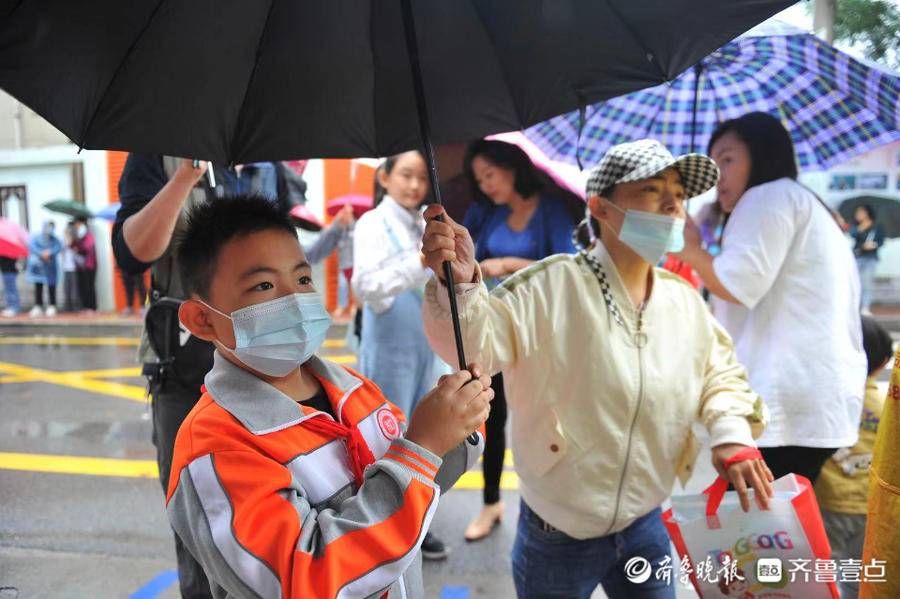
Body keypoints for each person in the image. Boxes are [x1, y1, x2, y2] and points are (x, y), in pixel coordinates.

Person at [422, 139, 773, 599]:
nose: (673, 205)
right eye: (652, 189)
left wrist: (731, 434)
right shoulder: (548, 287)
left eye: (679, 193)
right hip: (556, 531)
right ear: (601, 209)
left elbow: (720, 374)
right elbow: (473, 347)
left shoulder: (683, 301)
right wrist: (461, 284)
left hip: (647, 522)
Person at [167, 195, 492, 598]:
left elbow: (421, 481)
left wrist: (457, 419)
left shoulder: (352, 390)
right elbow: (305, 581)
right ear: (202, 319)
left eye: (303, 279)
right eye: (264, 285)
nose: (296, 300)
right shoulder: (215, 447)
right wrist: (419, 447)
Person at [113, 154, 375, 599]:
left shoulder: (267, 161)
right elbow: (135, 253)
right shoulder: (158, 155)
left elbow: (289, 252)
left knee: (310, 499)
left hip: (274, 364)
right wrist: (186, 174)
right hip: (185, 365)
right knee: (207, 528)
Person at [677, 112, 867, 483]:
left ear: (762, 156)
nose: (718, 173)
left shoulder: (767, 196)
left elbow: (737, 284)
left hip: (782, 401)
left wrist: (692, 249)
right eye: (713, 162)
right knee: (776, 529)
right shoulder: (801, 201)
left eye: (728, 159)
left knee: (751, 531)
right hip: (813, 396)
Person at [461, 139, 577, 541]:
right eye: (479, 178)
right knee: (492, 416)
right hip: (493, 331)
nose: (486, 184)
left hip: (541, 334)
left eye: (490, 174)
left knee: (546, 419)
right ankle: (491, 502)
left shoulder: (551, 210)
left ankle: (552, 505)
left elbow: (569, 269)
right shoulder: (486, 213)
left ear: (512, 167)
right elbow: (463, 259)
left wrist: (510, 264)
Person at [351, 150, 451, 560]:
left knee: (425, 437)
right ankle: (384, 523)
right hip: (390, 346)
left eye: (420, 179)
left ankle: (417, 519)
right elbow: (366, 287)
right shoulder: (372, 224)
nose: (414, 186)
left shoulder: (424, 224)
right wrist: (419, 261)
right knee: (386, 436)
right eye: (406, 175)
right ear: (384, 177)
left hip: (425, 345)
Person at [815, 316, 894, 599]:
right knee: (860, 575)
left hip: (829, 502)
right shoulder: (886, 405)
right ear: (884, 363)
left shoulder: (825, 400)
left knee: (824, 572)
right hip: (869, 506)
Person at [849, 204, 885, 315]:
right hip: (857, 256)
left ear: (867, 213)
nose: (859, 215)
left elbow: (881, 241)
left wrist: (873, 245)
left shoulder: (877, 226)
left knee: (867, 283)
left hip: (870, 258)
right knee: (854, 283)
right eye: (857, 213)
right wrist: (861, 228)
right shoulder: (856, 226)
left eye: (861, 212)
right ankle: (854, 306)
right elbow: (852, 235)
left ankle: (865, 307)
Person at [26, 220, 61, 317]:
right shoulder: (36, 237)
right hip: (38, 267)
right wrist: (41, 253)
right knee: (38, 286)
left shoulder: (55, 239)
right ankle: (38, 306)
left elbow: (58, 247)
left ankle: (52, 305)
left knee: (51, 287)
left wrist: (50, 253)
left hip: (50, 266)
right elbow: (32, 247)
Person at [72, 217, 98, 312]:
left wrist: (79, 248)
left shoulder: (88, 236)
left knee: (89, 286)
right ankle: (85, 306)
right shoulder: (78, 237)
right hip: (80, 267)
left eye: (78, 224)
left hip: (89, 265)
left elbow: (87, 248)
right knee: (82, 286)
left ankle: (92, 306)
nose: (76, 226)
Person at [61, 221, 81, 312]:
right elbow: (62, 254)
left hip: (74, 268)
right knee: (67, 288)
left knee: (75, 289)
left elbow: (78, 253)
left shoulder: (76, 242)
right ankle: (67, 306)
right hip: (66, 268)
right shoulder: (64, 243)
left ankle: (76, 306)